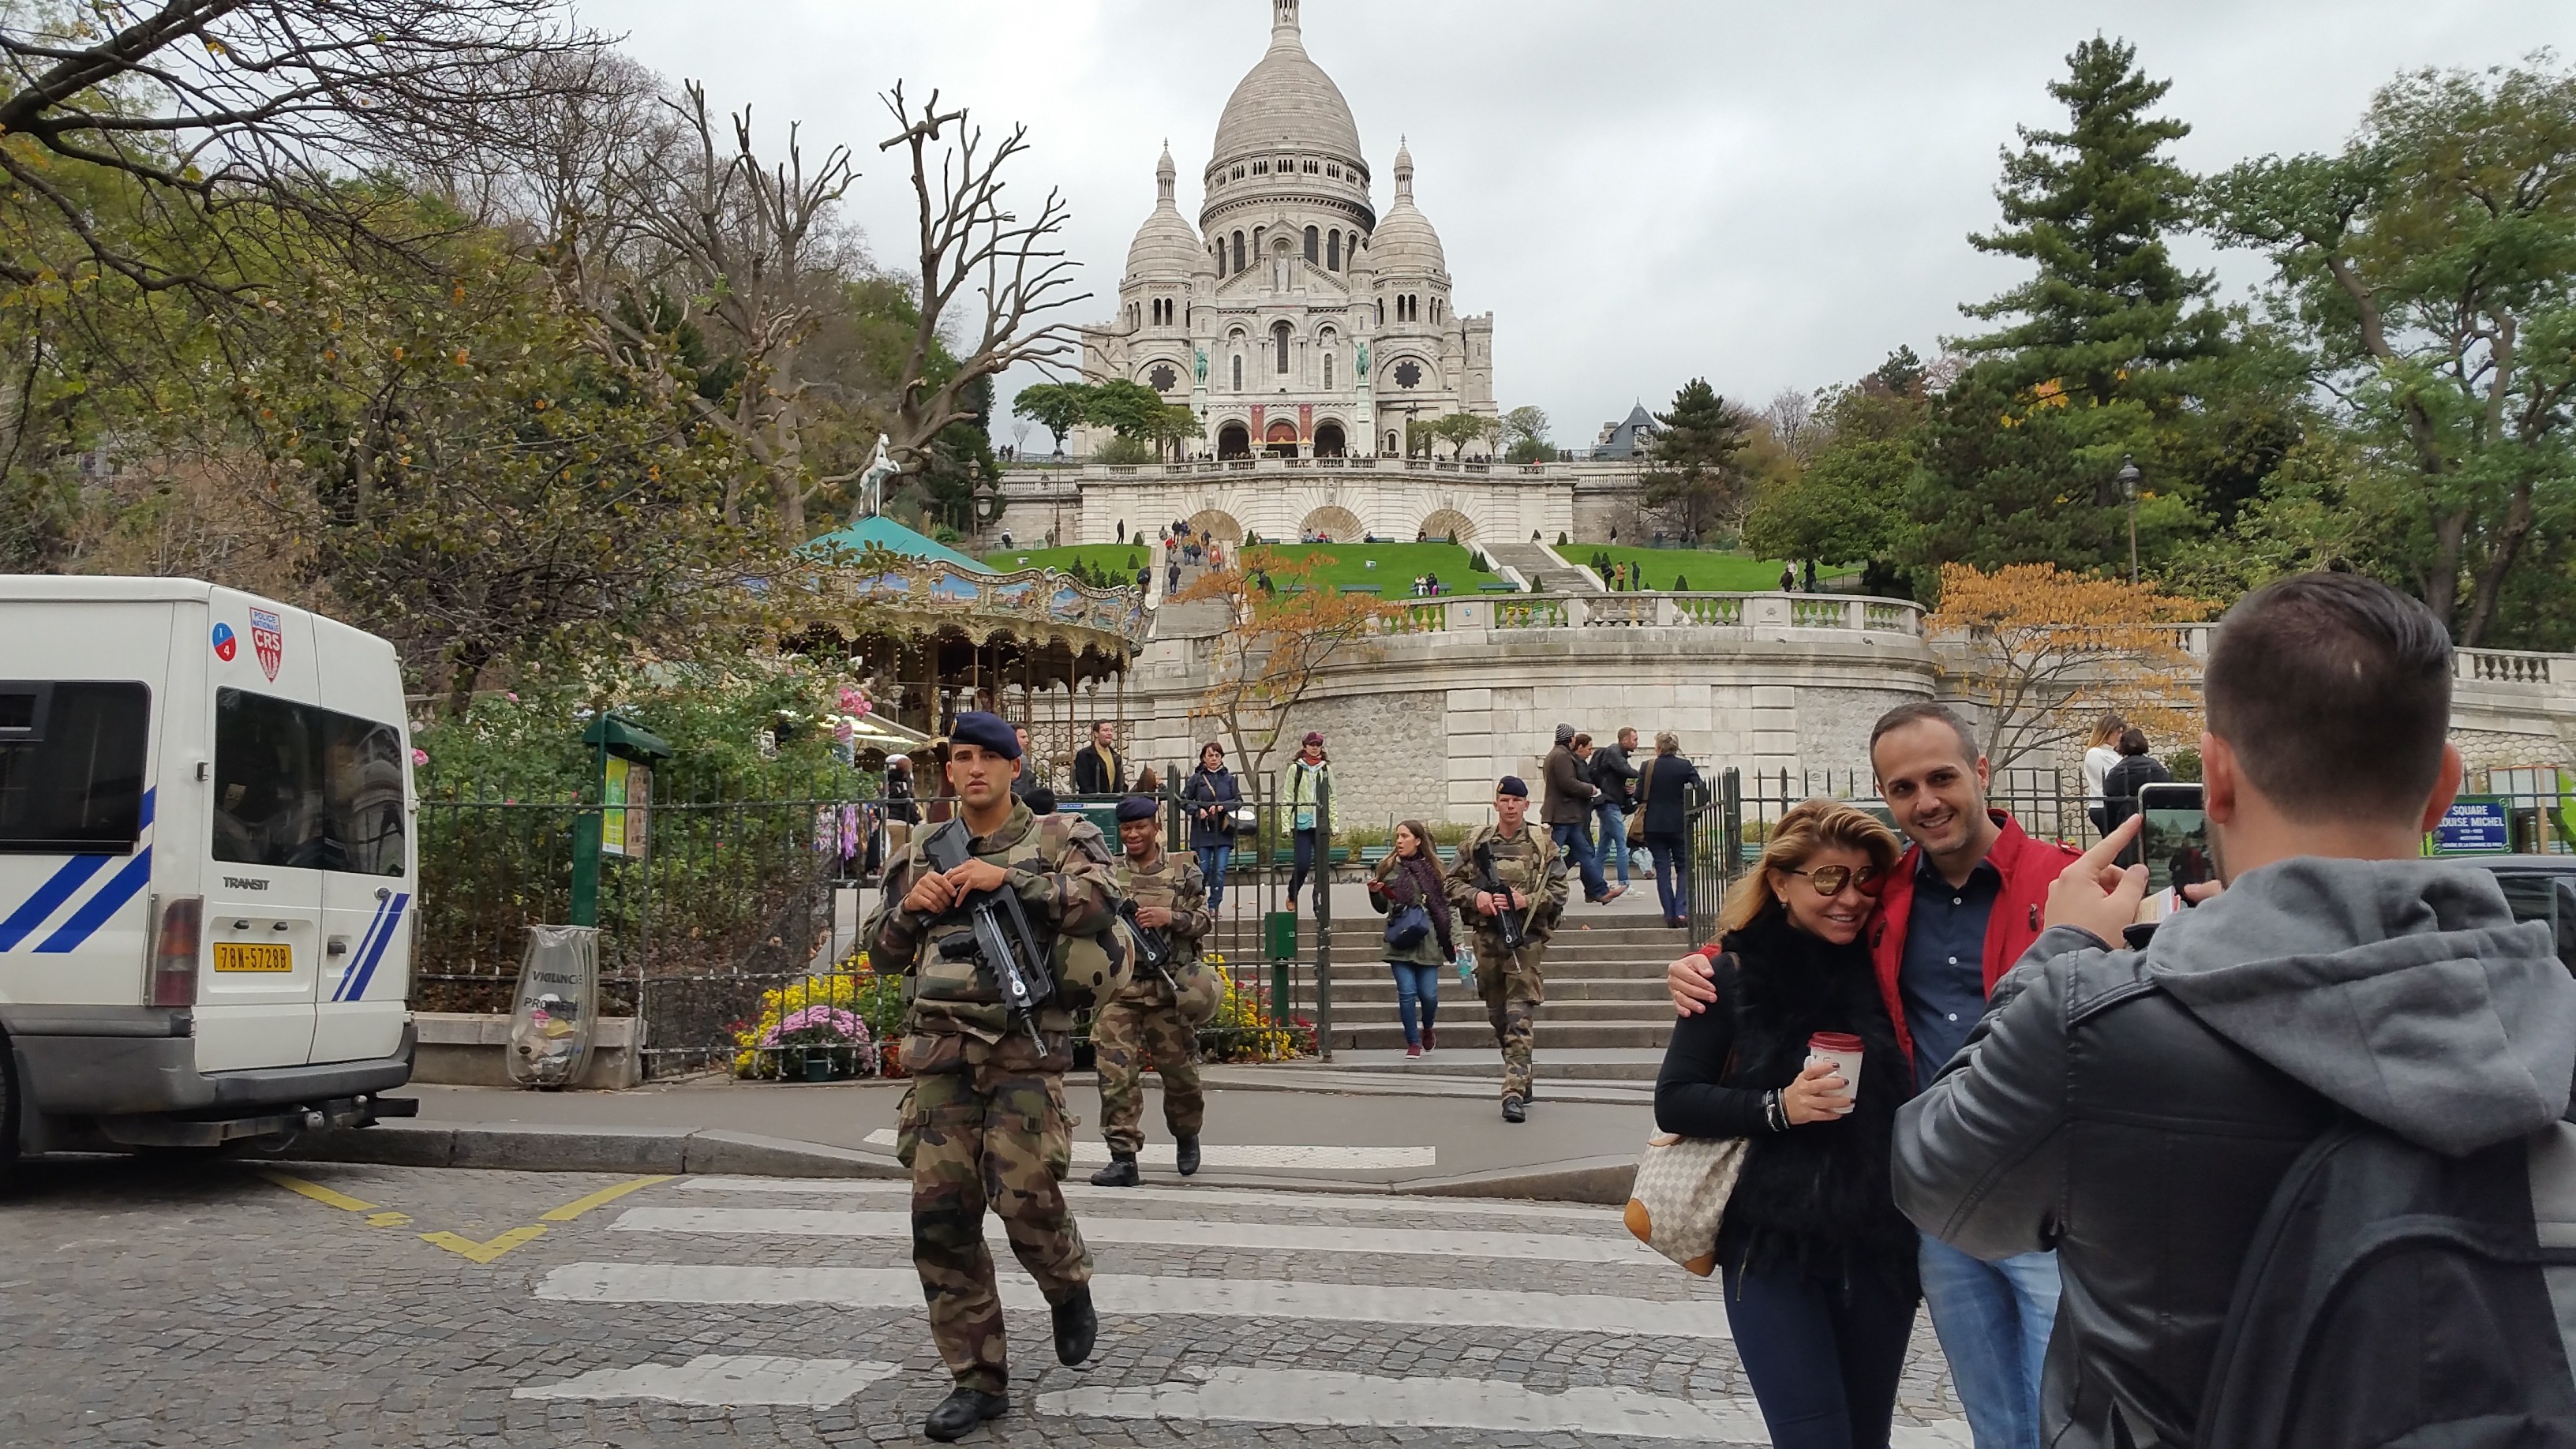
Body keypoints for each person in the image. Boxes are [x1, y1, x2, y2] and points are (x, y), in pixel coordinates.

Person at [1893, 573, 2576, 1449]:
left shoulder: (2093, 1026)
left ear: (2214, 777)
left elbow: (1934, 1178)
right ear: (2443, 785)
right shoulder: (2552, 1017)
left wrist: (2058, 950)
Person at [1667, 701, 2079, 1449]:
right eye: (1902, 787)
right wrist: (1703, 969)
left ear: (1981, 773)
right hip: (1901, 1218)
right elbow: (1779, 936)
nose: (1926, 801)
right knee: (1988, 1424)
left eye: (1942, 777)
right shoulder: (1871, 906)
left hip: (2033, 1207)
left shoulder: (2062, 885)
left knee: (2067, 1423)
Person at [864, 712, 1114, 1440]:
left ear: (1014, 764)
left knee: (1025, 1197)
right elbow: (881, 954)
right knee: (940, 1222)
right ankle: (978, 1380)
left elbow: (1103, 902)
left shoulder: (1060, 839)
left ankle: (1066, 1284)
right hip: (940, 1059)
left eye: (988, 758)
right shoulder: (918, 853)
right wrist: (910, 911)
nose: (973, 769)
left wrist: (1011, 879)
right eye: (961, 758)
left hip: (1023, 1052)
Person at [1656, 800, 1920, 1449]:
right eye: (1828, 878)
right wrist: (1780, 1106)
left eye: (1865, 880)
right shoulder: (1732, 973)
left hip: (1881, 1248)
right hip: (1773, 1250)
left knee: (1866, 1439)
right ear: (1780, 881)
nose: (1850, 898)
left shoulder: (1894, 970)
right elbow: (1676, 1099)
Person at [1090, 796, 1211, 1187]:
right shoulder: (1108, 873)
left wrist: (1169, 918)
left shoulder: (1182, 870)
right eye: (1126, 829)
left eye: (1140, 826)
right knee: (1115, 1074)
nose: (1133, 835)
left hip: (1168, 989)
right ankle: (1123, 1157)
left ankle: (1186, 1134)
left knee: (1180, 1077)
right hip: (1121, 988)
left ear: (1155, 825)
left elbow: (1203, 920)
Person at [1447, 777, 1570, 1121]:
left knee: (1519, 1013)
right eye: (1505, 799)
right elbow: (1450, 883)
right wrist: (1478, 897)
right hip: (1487, 938)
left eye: (1517, 800)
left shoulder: (1542, 844)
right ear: (1496, 803)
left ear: (1526, 805)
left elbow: (1560, 890)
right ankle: (1523, 1073)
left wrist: (1525, 900)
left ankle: (1512, 1091)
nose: (1511, 805)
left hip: (1525, 940)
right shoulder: (1476, 842)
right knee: (1497, 1014)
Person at [1367, 820, 1455, 1058]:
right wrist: (1375, 893)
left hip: (1427, 939)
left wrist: (1456, 938)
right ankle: (1413, 1042)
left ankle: (1428, 1027)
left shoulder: (1435, 869)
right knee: (1406, 992)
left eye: (1404, 836)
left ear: (1417, 840)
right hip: (1399, 937)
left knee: (1429, 995)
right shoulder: (1389, 867)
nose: (1399, 841)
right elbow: (1382, 907)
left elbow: (1447, 906)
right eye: (1397, 836)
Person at [1636, 732, 1704, 928]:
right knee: (1683, 867)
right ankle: (1681, 911)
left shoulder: (1648, 766)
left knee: (1663, 869)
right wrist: (1692, 815)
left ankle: (1669, 913)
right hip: (1678, 823)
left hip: (1654, 825)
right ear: (1676, 747)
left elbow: (1640, 795)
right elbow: (1702, 791)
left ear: (1658, 747)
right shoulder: (1684, 766)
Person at [1543, 723, 1615, 903]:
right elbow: (1568, 783)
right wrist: (1590, 789)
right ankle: (1540, 888)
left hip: (1568, 816)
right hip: (1563, 815)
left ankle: (1600, 891)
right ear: (1571, 739)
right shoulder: (1561, 756)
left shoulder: (1558, 754)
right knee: (1553, 856)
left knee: (1585, 853)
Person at [1180, 742, 1241, 912]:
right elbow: (1184, 800)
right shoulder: (1196, 779)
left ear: (1221, 757)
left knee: (1220, 870)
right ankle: (1201, 903)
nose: (1214, 759)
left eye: (1217, 756)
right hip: (1202, 832)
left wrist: (1222, 807)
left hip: (1223, 831)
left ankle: (1214, 905)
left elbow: (1238, 801)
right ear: (1203, 758)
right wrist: (1198, 810)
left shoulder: (1229, 779)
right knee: (1203, 870)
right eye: (1210, 755)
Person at [1590, 726, 1642, 892]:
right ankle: (1624, 884)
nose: (1636, 742)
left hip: (1608, 804)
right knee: (1621, 845)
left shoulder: (1617, 754)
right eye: (1634, 739)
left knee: (1603, 848)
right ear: (1624, 740)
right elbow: (1624, 770)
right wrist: (1642, 775)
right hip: (1609, 804)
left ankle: (1596, 886)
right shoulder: (1614, 752)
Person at [2099, 727, 2170, 842]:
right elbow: (2168, 794)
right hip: (2154, 824)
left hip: (2124, 827)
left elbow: (2110, 806)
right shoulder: (2156, 769)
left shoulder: (2116, 773)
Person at [1285, 732, 1331, 912]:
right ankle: (1292, 892)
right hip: (1302, 824)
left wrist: (1333, 824)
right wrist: (1286, 824)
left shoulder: (1326, 769)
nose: (1314, 748)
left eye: (1317, 745)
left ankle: (1318, 900)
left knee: (1322, 867)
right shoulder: (1296, 769)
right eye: (1311, 744)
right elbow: (1288, 796)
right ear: (1305, 746)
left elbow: (1331, 797)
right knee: (1303, 863)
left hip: (1320, 823)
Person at [2080, 714, 2125, 835]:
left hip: (2114, 806)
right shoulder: (2095, 753)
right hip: (2103, 806)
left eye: (2121, 732)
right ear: (2107, 732)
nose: (2120, 736)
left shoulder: (2114, 753)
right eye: (2117, 732)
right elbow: (2113, 778)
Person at [882, 754, 919, 862]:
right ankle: (888, 877)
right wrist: (918, 819)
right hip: (901, 822)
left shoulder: (893, 784)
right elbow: (908, 804)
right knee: (898, 853)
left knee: (899, 852)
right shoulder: (902, 786)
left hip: (895, 820)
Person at [1072, 721, 1125, 796]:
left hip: (1114, 802)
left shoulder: (1116, 757)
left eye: (1111, 730)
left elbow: (1120, 783)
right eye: (1105, 730)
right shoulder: (1085, 755)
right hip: (1092, 803)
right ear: (1096, 734)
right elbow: (1084, 783)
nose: (1109, 733)